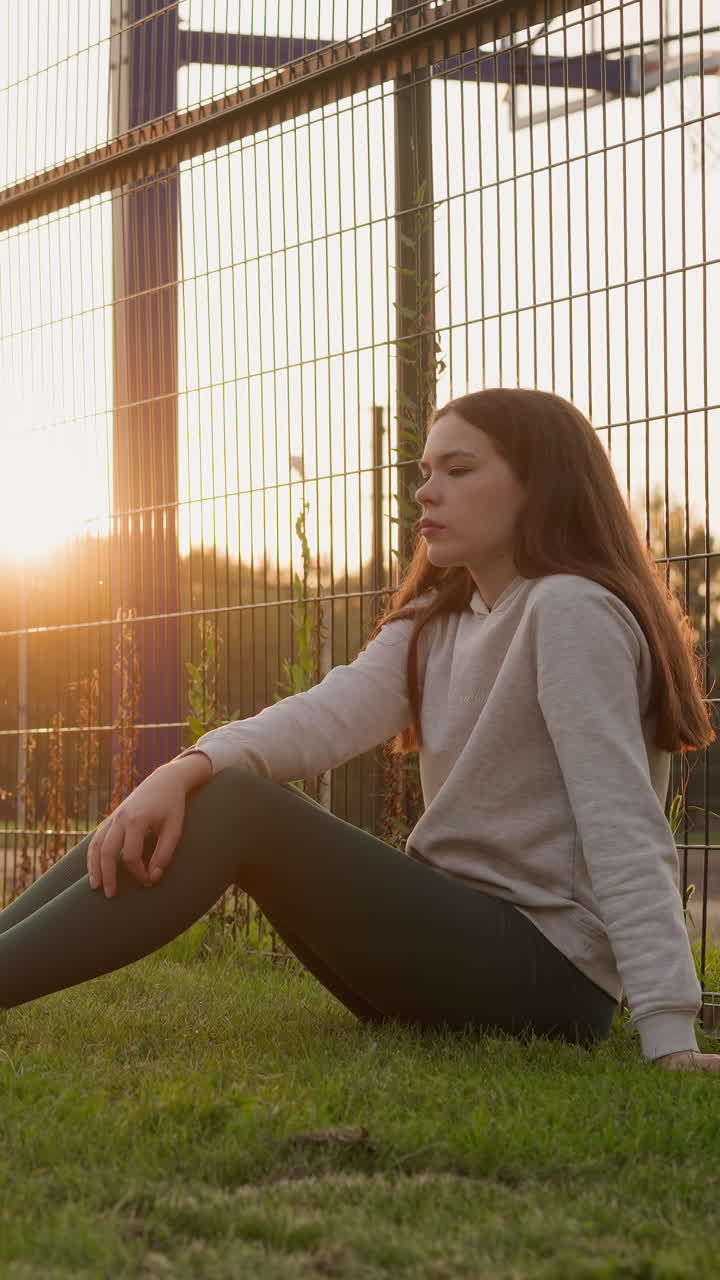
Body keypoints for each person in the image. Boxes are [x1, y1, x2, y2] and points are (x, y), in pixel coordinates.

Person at [1, 387, 717, 1075]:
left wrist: (667, 1027)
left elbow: (621, 820)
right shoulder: (439, 620)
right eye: (425, 472)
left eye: (459, 470)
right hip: (457, 955)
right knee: (210, 784)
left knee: (236, 804)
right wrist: (183, 765)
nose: (426, 492)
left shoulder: (568, 611)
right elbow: (320, 716)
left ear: (542, 484)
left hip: (545, 978)